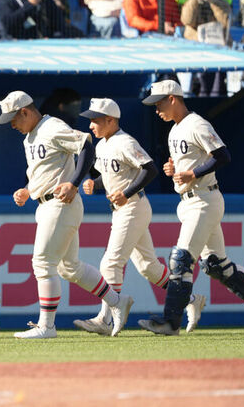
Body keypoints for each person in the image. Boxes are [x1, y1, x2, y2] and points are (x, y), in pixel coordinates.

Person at [137, 79, 244, 336]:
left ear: (173, 98)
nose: (156, 109)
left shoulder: (197, 124)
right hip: (191, 200)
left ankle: (170, 321)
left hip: (204, 199)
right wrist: (175, 170)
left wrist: (193, 173)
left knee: (181, 259)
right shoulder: (175, 129)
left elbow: (223, 155)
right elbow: (190, 165)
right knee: (214, 264)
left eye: (159, 103)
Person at [0, 92, 133, 338]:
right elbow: (45, 171)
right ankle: (117, 302)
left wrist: (73, 182)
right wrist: (28, 190)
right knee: (69, 267)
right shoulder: (30, 137)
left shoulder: (51, 127)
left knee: (42, 262)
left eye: (13, 119)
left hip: (61, 203)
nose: (12, 125)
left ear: (25, 111)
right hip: (47, 203)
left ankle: (47, 326)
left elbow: (87, 146)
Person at [74, 98, 206, 336]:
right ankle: (191, 299)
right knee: (149, 267)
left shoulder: (125, 142)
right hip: (125, 208)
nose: (91, 125)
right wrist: (96, 183)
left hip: (133, 207)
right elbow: (116, 174)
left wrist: (125, 193)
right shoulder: (103, 145)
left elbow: (150, 168)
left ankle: (105, 318)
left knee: (110, 262)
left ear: (111, 120)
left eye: (95, 120)